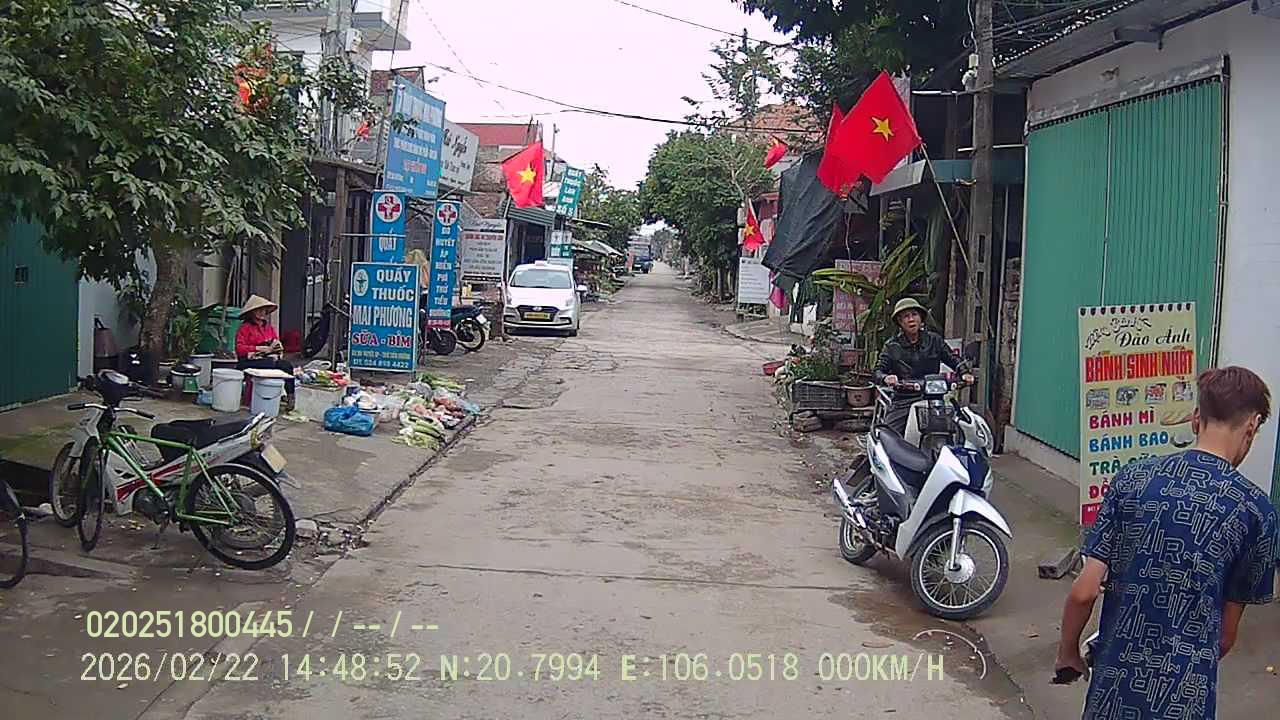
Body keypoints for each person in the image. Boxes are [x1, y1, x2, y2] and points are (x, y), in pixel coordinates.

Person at [1055, 366, 1279, 720]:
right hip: (1185, 698)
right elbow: (1224, 636)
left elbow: (1084, 592)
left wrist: (1068, 652)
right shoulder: (1256, 511)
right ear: (1252, 426)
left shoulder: (1133, 479)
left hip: (1114, 691)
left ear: (1196, 419)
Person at [871, 298, 974, 437]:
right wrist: (886, 378)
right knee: (888, 437)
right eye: (906, 316)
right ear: (900, 322)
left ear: (921, 318)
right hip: (904, 399)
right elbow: (877, 371)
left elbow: (952, 358)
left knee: (959, 430)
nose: (911, 319)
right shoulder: (892, 346)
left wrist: (964, 372)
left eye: (914, 314)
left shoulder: (934, 340)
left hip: (934, 398)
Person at [234, 295, 295, 403]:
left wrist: (277, 350)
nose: (262, 312)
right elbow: (239, 349)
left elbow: (276, 343)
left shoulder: (269, 328)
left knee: (287, 366)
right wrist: (258, 348)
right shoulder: (245, 328)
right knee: (270, 362)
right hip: (248, 361)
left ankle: (290, 397)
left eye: (263, 310)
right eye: (258, 310)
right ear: (252, 312)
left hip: (268, 359)